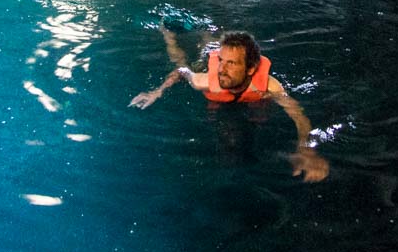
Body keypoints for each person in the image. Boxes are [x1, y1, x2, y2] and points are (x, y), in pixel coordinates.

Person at [129, 29, 330, 183]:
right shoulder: (205, 81)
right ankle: (168, 33)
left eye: (231, 64)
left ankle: (208, 38)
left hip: (244, 97)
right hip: (201, 70)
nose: (222, 69)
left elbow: (299, 116)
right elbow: (182, 71)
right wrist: (158, 90)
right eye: (222, 61)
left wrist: (306, 149)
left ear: (251, 69)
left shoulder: (270, 86)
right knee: (182, 60)